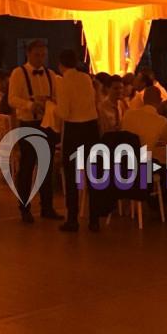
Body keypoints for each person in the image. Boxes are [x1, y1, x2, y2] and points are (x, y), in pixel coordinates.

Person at [8, 40, 61, 223]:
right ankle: (24, 208)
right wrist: (31, 104)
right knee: (27, 168)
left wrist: (51, 103)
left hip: (47, 124)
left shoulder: (51, 74)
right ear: (28, 54)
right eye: (37, 55)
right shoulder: (18, 73)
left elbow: (56, 96)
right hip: (29, 123)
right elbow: (12, 99)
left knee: (46, 167)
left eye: (43, 55)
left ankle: (47, 207)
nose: (41, 59)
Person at [53, 49, 102, 233]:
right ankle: (94, 219)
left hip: (74, 130)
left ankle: (72, 219)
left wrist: (51, 106)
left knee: (71, 175)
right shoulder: (86, 78)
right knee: (93, 175)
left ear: (60, 64)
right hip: (91, 128)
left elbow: (64, 113)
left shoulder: (63, 82)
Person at [121, 85, 167, 160]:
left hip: (124, 161)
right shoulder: (162, 121)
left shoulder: (128, 114)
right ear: (160, 100)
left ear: (143, 99)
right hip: (146, 165)